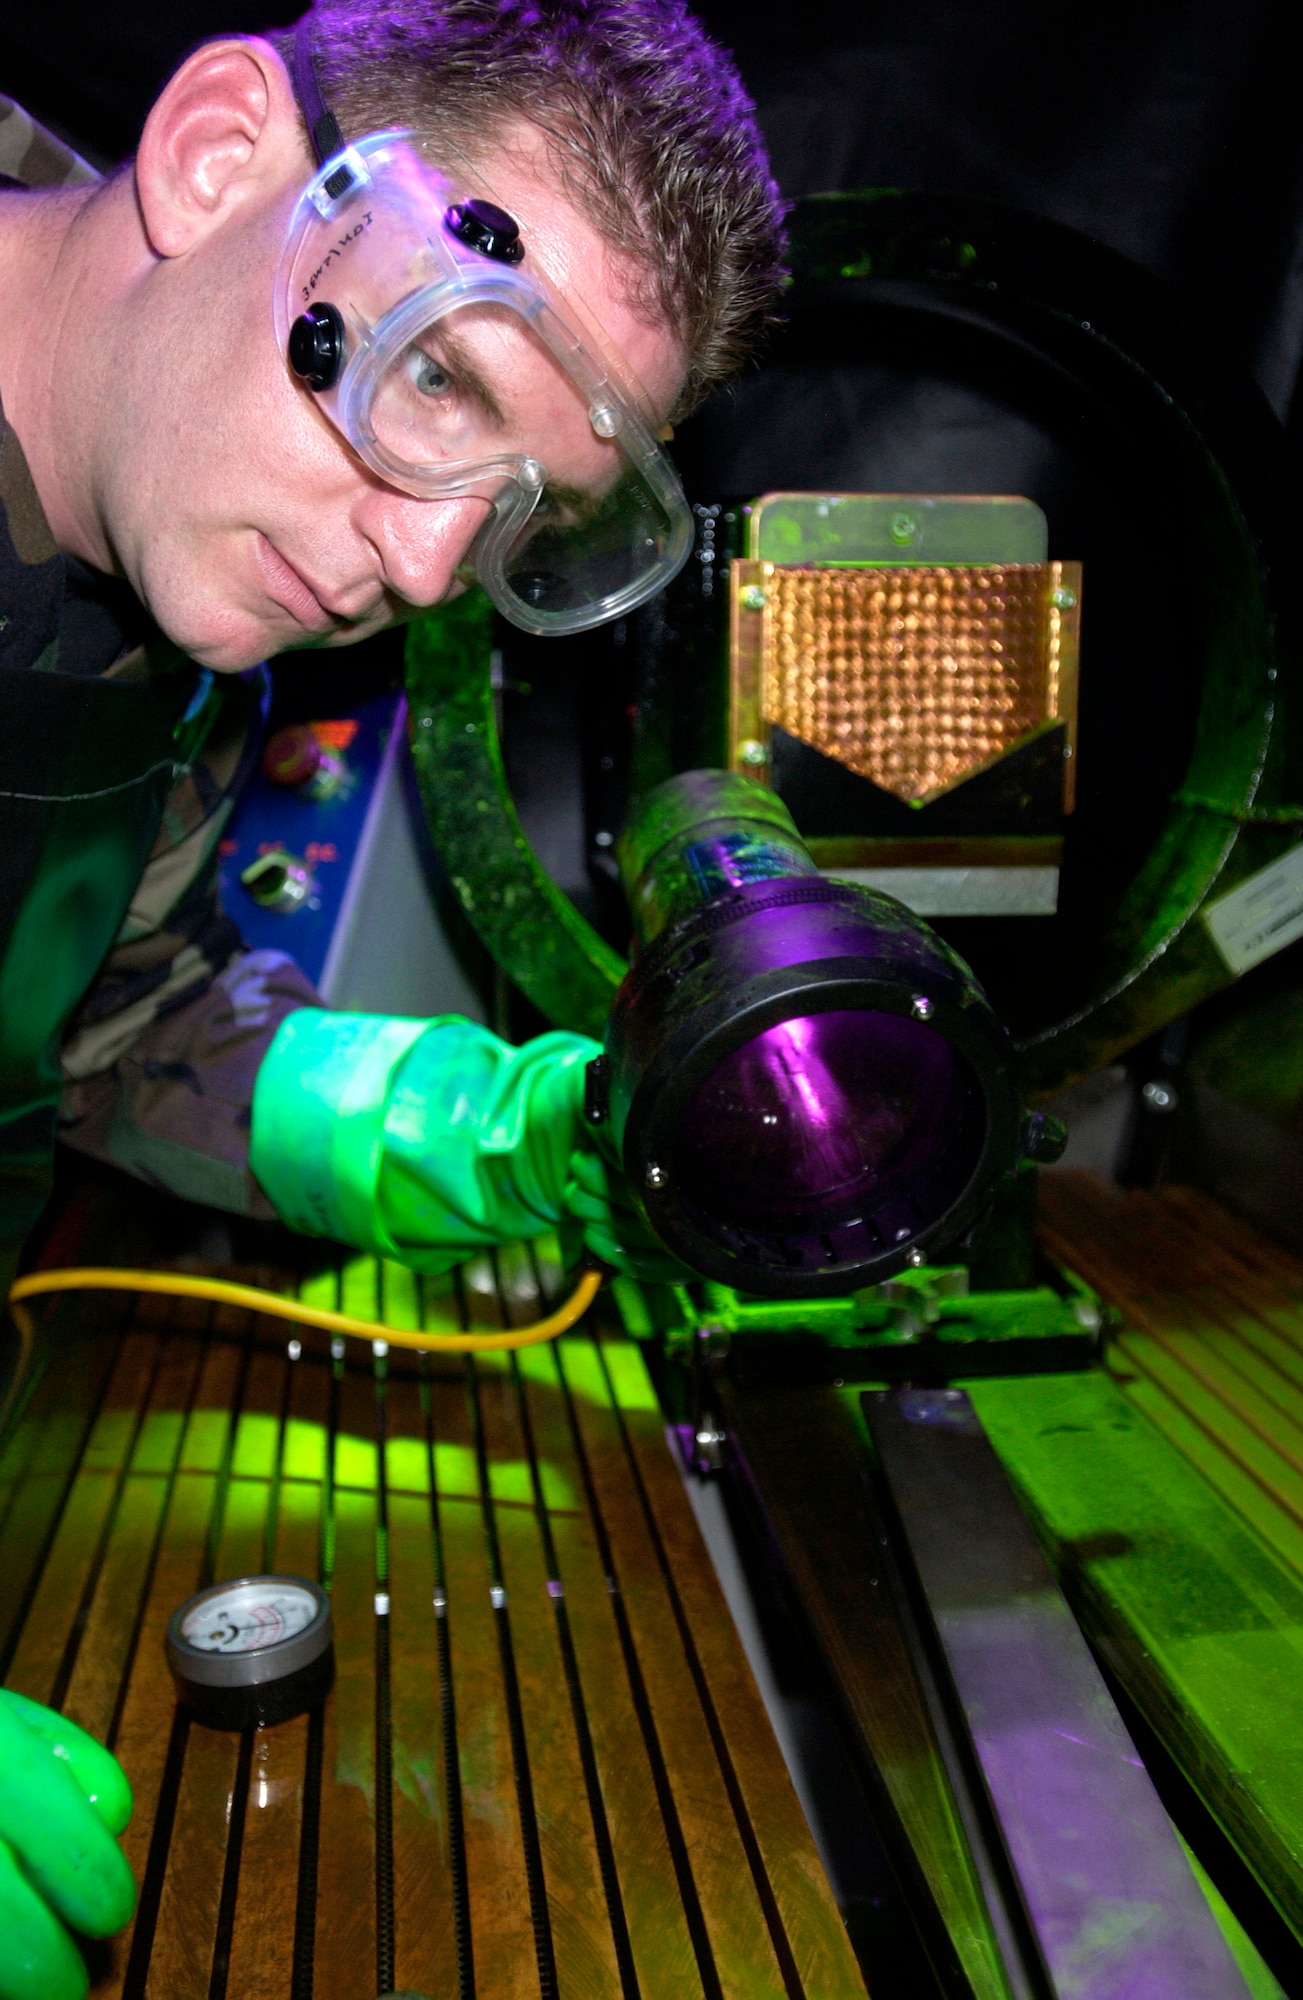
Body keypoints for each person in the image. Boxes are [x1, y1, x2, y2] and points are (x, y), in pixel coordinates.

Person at [0, 5, 783, 1993]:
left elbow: (111, 1029)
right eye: (440, 379)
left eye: (516, 514)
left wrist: (485, 1124)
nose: (427, 570)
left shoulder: (134, 605)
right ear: (212, 158)